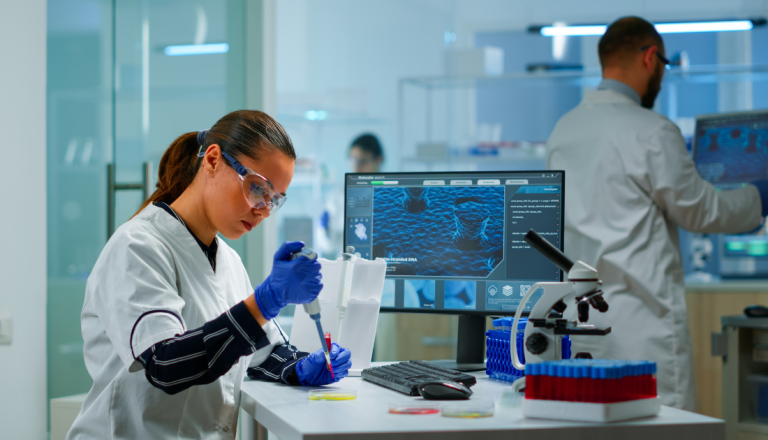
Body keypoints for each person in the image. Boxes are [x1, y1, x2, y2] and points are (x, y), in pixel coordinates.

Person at [67, 110, 352, 439]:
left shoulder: (228, 261)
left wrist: (299, 367)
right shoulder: (136, 247)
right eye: (258, 188)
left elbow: (261, 352)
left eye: (274, 200)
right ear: (214, 160)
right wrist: (265, 302)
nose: (262, 210)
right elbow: (165, 363)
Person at [546, 17, 768, 411]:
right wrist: (759, 197)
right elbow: (702, 211)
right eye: (664, 65)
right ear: (650, 58)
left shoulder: (564, 128)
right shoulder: (651, 130)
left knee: (591, 424)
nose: (663, 76)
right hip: (642, 329)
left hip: (583, 326)